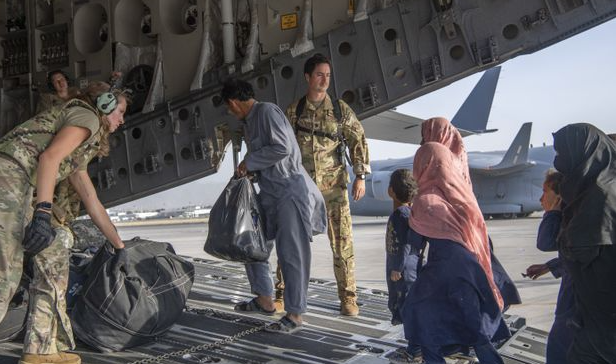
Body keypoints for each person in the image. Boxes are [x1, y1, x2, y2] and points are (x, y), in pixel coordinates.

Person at [0, 81, 128, 364]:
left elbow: (90, 198)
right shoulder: (87, 118)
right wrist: (43, 214)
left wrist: (119, 245)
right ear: (105, 106)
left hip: (19, 186)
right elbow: (49, 158)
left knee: (55, 251)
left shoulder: (85, 144)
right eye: (120, 112)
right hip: (8, 177)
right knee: (5, 273)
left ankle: (41, 348)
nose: (122, 119)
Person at [220, 78, 327, 333]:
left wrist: (250, 161)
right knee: (250, 243)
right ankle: (265, 299)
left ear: (234, 102)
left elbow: (283, 148)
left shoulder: (266, 112)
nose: (230, 112)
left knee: (292, 254)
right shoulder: (250, 123)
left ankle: (295, 314)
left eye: (229, 107)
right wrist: (250, 172)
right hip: (269, 194)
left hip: (290, 193)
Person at [276, 53, 371, 316]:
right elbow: (282, 148)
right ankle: (281, 294)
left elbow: (358, 140)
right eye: (319, 74)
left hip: (334, 190)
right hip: (301, 190)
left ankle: (348, 299)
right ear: (307, 77)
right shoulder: (294, 111)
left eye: (328, 75)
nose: (325, 79)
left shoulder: (340, 110)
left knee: (342, 246)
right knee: (291, 242)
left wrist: (360, 176)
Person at [403, 142, 508, 364]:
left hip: (444, 267)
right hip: (470, 268)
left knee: (420, 317)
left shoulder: (425, 199)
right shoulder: (460, 195)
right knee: (473, 325)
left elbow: (414, 247)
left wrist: (408, 278)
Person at [552, 123, 616, 364]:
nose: (558, 161)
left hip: (603, 321)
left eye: (561, 154)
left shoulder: (599, 197)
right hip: (591, 317)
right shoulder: (593, 191)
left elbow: (586, 251)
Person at [524, 169, 574, 364]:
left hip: (573, 304)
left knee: (558, 351)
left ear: (559, 196)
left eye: (545, 191)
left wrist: (553, 212)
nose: (540, 199)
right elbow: (574, 254)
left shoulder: (569, 219)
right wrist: (549, 266)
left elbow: (545, 242)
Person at [384, 169, 422, 363]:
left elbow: (405, 244)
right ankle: (415, 349)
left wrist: (397, 268)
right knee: (410, 309)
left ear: (391, 191)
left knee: (408, 311)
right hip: (410, 269)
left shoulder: (400, 215)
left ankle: (414, 352)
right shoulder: (410, 213)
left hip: (403, 272)